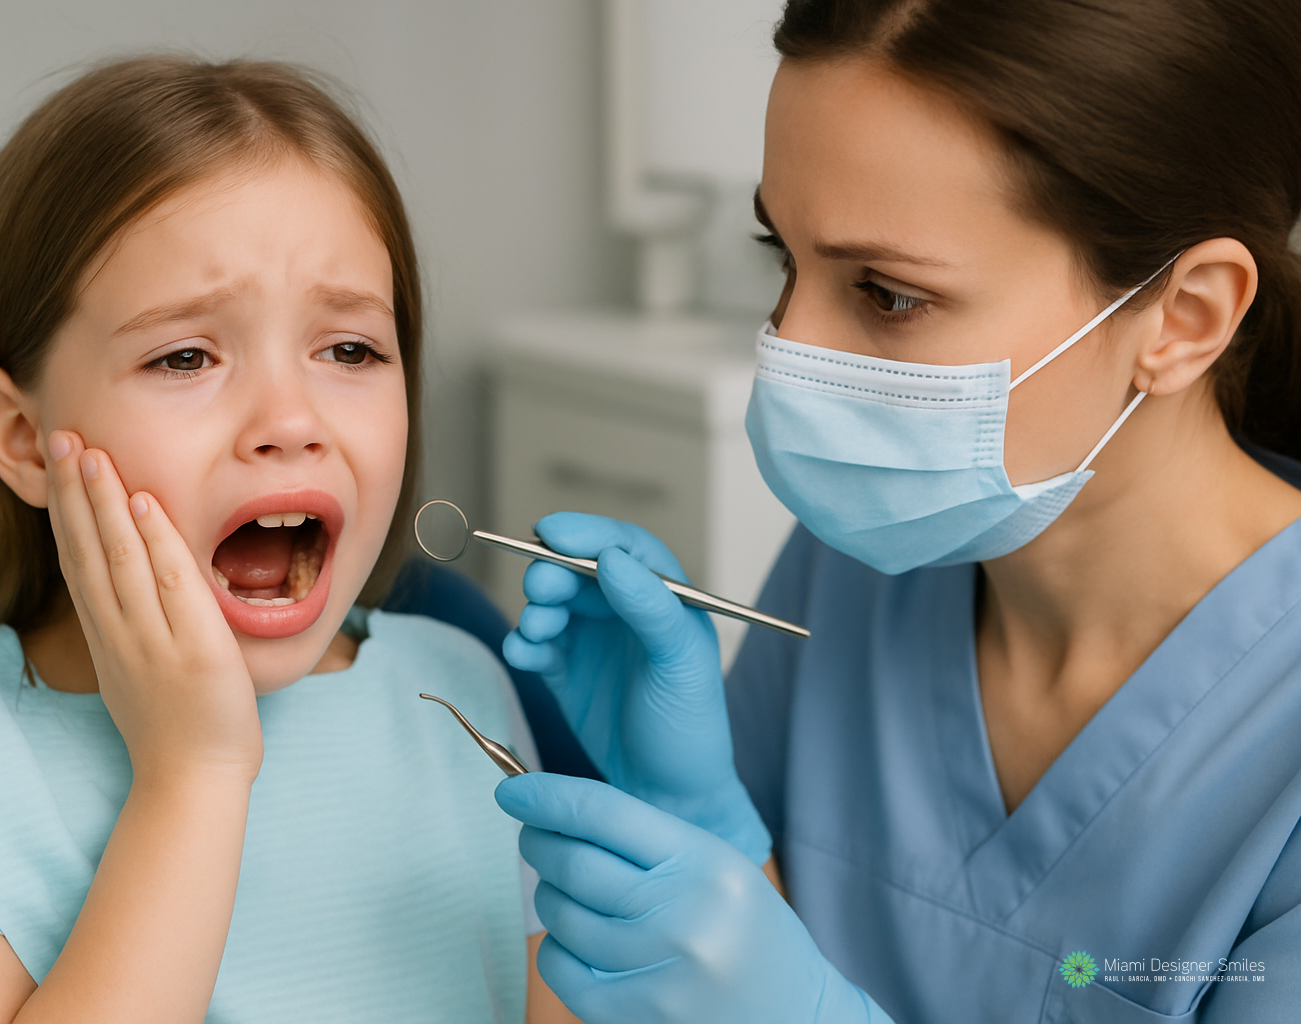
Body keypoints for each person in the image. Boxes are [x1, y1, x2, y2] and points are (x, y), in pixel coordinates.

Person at [495, 0, 1301, 1021]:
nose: (791, 349)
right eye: (784, 259)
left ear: (1183, 318)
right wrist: (707, 831)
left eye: (886, 294)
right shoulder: (864, 559)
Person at [0, 56, 579, 1023]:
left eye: (350, 349)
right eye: (185, 355)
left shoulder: (458, 686)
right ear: (21, 439)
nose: (291, 420)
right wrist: (192, 777)